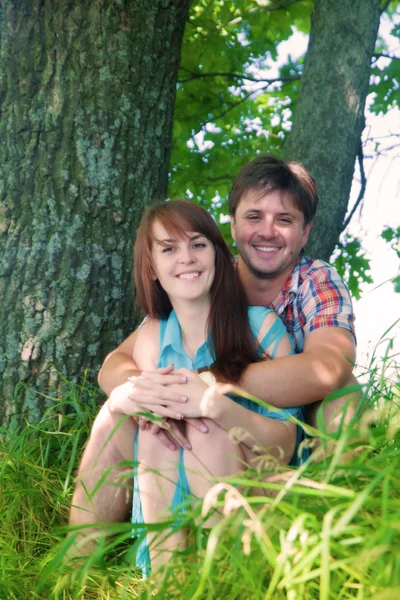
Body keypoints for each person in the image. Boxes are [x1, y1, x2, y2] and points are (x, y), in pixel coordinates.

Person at [69, 155, 357, 558]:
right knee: (117, 412)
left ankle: (334, 510)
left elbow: (329, 369)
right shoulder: (206, 278)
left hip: (290, 426)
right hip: (206, 429)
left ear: (305, 231)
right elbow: (117, 362)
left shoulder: (316, 281)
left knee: (344, 392)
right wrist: (146, 390)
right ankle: (76, 565)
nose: (268, 231)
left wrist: (208, 385)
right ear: (233, 225)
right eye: (254, 216)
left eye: (285, 220)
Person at [97, 199, 306, 573]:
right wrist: (135, 394)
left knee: (206, 429)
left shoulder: (261, 327)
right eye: (169, 248)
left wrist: (217, 405)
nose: (187, 258)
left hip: (252, 500)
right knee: (150, 429)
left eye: (198, 244)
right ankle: (165, 581)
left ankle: (225, 577)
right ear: (153, 268)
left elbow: (285, 444)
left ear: (217, 254)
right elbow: (110, 369)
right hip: (167, 509)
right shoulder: (153, 336)